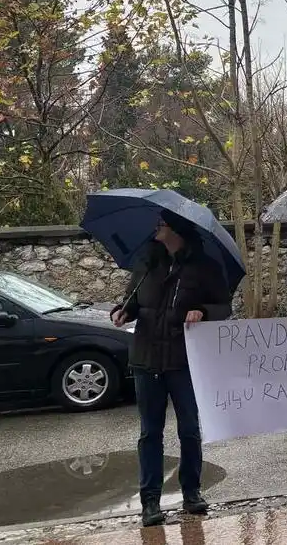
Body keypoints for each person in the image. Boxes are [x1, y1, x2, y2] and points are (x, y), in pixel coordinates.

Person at [110, 210, 232, 527]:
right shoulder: (147, 262)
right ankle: (150, 501)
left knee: (189, 429)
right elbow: (132, 301)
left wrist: (202, 311)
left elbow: (224, 307)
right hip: (146, 358)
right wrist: (121, 312)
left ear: (175, 230)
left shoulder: (204, 268)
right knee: (150, 433)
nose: (155, 229)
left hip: (184, 360)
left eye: (161, 225)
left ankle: (191, 492)